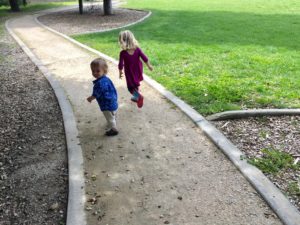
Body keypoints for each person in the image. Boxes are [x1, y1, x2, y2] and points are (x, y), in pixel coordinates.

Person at [118, 30, 153, 108]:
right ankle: (136, 97)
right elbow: (144, 58)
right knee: (136, 84)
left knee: (130, 87)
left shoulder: (123, 53)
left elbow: (121, 64)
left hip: (129, 72)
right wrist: (149, 66)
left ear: (122, 41)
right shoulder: (137, 49)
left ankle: (138, 96)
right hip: (138, 70)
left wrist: (120, 72)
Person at [87, 58, 119, 136]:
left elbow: (97, 93)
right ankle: (112, 121)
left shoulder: (100, 83)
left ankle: (114, 129)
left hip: (106, 104)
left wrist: (91, 98)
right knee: (111, 115)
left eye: (97, 71)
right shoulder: (106, 79)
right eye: (93, 71)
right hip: (112, 101)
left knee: (109, 117)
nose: (95, 73)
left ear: (104, 70)